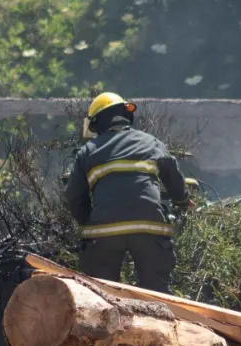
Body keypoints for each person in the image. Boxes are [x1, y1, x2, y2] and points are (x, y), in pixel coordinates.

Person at [65, 92, 191, 292]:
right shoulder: (152, 143)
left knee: (101, 293)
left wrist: (90, 223)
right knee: (156, 295)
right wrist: (183, 200)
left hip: (104, 232)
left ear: (96, 123)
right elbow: (173, 176)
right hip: (149, 229)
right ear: (126, 115)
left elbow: (74, 198)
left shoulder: (88, 151)